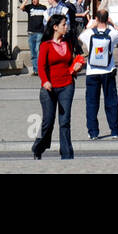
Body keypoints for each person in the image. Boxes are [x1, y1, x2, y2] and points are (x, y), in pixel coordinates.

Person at [33, 14, 80, 160]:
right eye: (63, 24)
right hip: (49, 87)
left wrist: (76, 67)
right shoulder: (45, 45)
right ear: (55, 27)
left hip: (67, 85)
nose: (66, 27)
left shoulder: (68, 43)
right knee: (48, 120)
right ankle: (38, 147)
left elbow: (70, 63)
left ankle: (66, 153)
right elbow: (41, 67)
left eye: (66, 24)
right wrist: (45, 81)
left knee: (65, 121)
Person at [79, 9, 118, 140]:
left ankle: (93, 132)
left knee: (92, 102)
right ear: (107, 19)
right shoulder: (112, 33)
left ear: (97, 19)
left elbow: (80, 37)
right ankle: (115, 131)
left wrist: (91, 25)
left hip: (92, 71)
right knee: (111, 101)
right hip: (108, 70)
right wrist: (113, 24)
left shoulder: (89, 33)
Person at [20, 0, 47, 75]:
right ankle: (35, 70)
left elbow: (47, 18)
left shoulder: (43, 7)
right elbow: (21, 8)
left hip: (39, 32)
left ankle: (40, 69)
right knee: (33, 52)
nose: (34, 0)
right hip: (31, 32)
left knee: (38, 51)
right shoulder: (29, 7)